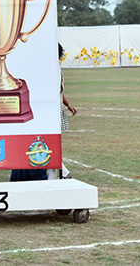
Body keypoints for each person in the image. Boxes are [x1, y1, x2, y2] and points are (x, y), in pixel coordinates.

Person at [49, 43, 78, 180]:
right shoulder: (54, 68)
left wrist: (68, 104)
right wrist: (68, 104)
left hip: (53, 109)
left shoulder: (53, 69)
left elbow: (59, 90)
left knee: (50, 142)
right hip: (53, 108)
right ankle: (60, 172)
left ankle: (60, 172)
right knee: (51, 142)